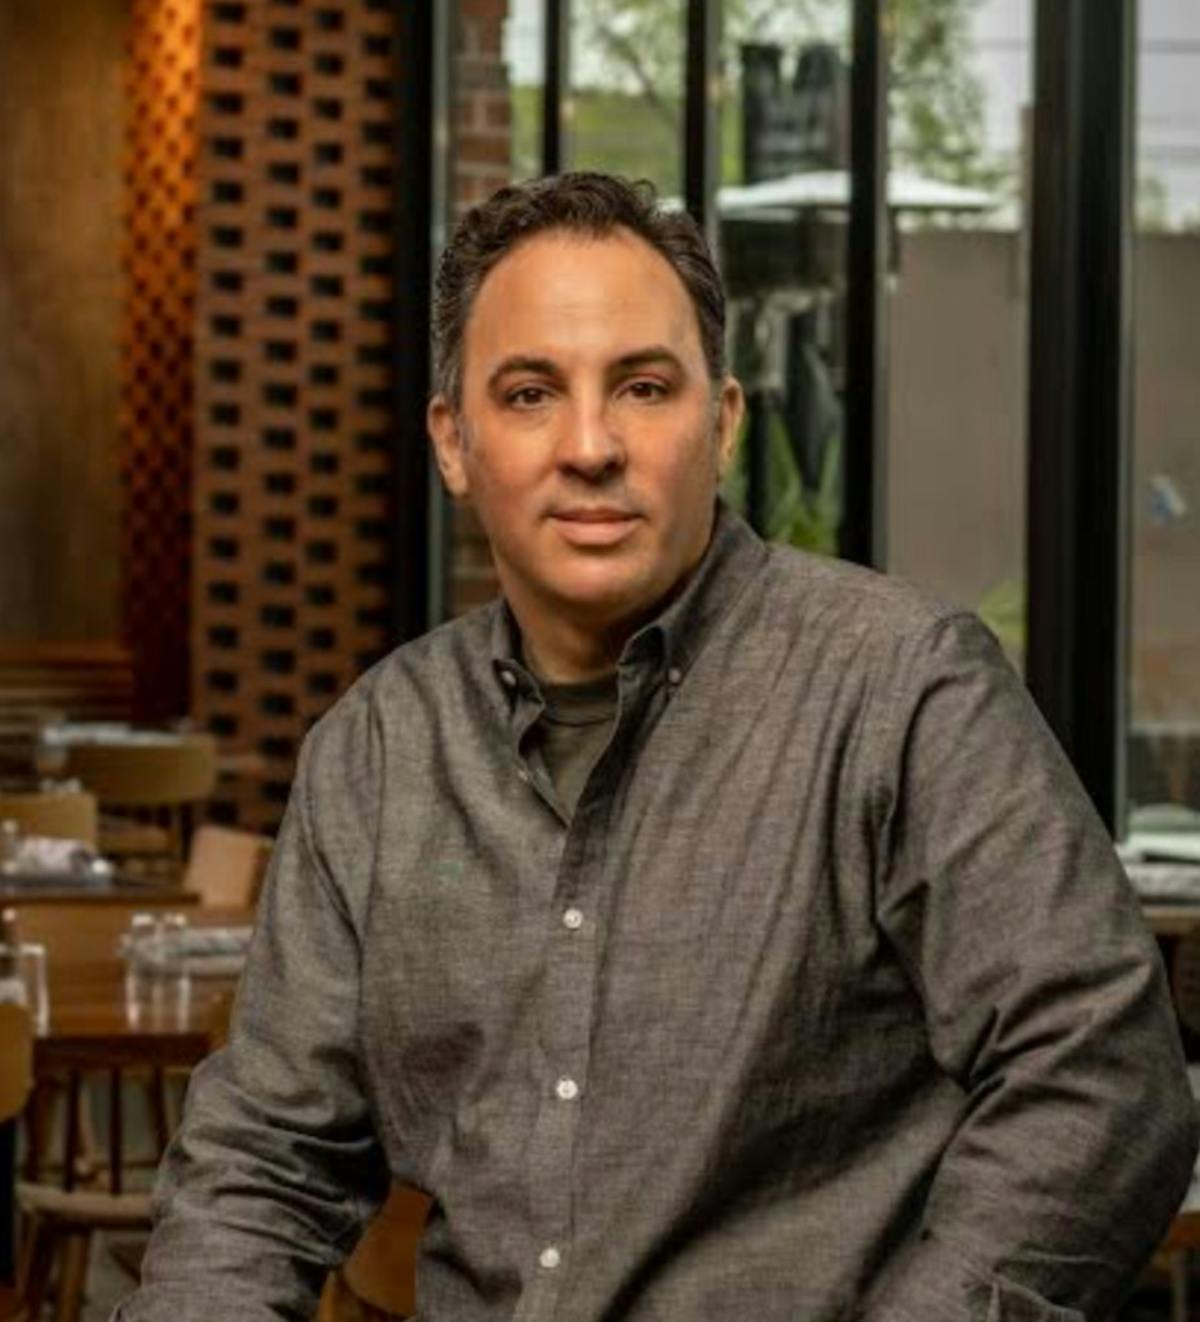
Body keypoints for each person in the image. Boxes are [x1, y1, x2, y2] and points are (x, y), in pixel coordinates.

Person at [117, 172, 1196, 1321]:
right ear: (454, 440)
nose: (591, 445)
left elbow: (1101, 1080)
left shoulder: (900, 688)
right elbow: (262, 1163)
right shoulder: (376, 752)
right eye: (531, 392)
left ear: (721, 420)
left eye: (642, 386)